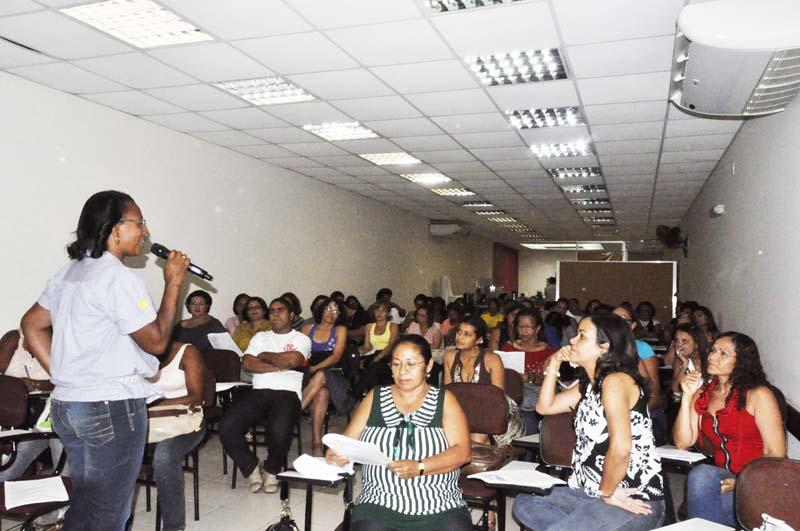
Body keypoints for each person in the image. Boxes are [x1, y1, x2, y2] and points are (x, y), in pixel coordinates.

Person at [21, 190, 190, 531]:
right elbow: (158, 342)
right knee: (109, 514)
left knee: (85, 503)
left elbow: (30, 324)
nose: (145, 231)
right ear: (115, 228)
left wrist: (64, 373)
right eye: (139, 222)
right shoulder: (118, 278)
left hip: (68, 405)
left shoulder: (68, 273)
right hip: (110, 407)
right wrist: (173, 284)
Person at [514, 314, 665, 531]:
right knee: (525, 503)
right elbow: (544, 407)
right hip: (591, 492)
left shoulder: (616, 381)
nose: (572, 340)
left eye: (582, 336)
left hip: (630, 497)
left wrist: (607, 492)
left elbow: (621, 449)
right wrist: (554, 363)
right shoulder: (589, 385)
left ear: (604, 346)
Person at [326, 335, 472, 531]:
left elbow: (462, 452)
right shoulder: (375, 397)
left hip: (440, 501)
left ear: (428, 366)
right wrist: (337, 453)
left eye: (411, 364)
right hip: (379, 500)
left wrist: (420, 467)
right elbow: (347, 442)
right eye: (396, 364)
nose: (402, 371)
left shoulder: (445, 400)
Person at [673, 332, 785, 526]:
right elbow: (683, 442)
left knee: (705, 490)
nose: (712, 356)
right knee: (701, 476)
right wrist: (687, 397)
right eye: (713, 350)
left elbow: (776, 454)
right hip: (724, 477)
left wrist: (742, 482)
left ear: (741, 361)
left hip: (760, 481)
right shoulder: (704, 393)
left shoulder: (758, 394)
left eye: (723, 353)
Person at [219, 297, 311, 494]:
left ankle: (272, 470)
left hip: (288, 394)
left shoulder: (301, 339)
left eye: (281, 310)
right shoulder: (260, 337)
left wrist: (264, 355)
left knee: (279, 430)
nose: (275, 314)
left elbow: (292, 360)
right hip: (258, 392)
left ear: (292, 315)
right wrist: (279, 365)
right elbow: (248, 364)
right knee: (227, 425)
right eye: (272, 310)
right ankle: (251, 466)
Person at [147, 341, 208, 531]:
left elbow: (197, 397)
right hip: (152, 422)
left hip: (187, 422)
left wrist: (155, 404)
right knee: (112, 447)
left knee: (164, 456)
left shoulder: (187, 352)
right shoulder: (138, 351)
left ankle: (174, 527)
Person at [0, 329, 64, 482]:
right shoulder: (14, 339)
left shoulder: (58, 346)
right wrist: (18, 385)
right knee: (8, 472)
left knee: (62, 472)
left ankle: (62, 493)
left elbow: (65, 381)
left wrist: (35, 384)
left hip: (52, 417)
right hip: (19, 421)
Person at [300, 297, 353, 456]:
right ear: (321, 310)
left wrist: (315, 368)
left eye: (336, 311)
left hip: (334, 373)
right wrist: (308, 369)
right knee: (321, 394)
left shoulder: (340, 330)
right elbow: (300, 353)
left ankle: (294, 411)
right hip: (309, 375)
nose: (332, 313)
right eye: (328, 309)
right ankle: (316, 444)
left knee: (322, 374)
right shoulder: (307, 328)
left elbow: (336, 356)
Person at [442, 317, 507, 443]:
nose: (460, 337)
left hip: (486, 414)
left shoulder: (492, 359)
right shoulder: (449, 356)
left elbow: (498, 398)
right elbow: (448, 392)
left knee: (476, 439)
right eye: (459, 332)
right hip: (457, 412)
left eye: (467, 334)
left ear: (479, 340)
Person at [613, 306, 666, 445]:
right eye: (614, 319)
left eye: (624, 320)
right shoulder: (601, 349)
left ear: (633, 325)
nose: (618, 323)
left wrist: (630, 415)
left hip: (640, 412)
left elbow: (654, 395)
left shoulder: (641, 349)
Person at [501, 309, 556, 434]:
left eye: (528, 327)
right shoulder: (508, 347)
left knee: (527, 414)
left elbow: (550, 382)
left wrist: (530, 378)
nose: (524, 331)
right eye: (520, 327)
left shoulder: (548, 351)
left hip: (533, 395)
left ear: (537, 329)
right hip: (510, 392)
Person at [354, 301, 400, 397]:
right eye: (377, 310)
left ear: (388, 313)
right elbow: (367, 347)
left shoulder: (393, 326)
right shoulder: (369, 326)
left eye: (383, 311)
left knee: (374, 366)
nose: (379, 313)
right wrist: (356, 352)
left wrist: (379, 357)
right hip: (373, 356)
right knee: (362, 363)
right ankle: (372, 396)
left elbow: (391, 345)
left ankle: (358, 393)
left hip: (388, 358)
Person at [668, 324, 708, 398]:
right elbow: (675, 389)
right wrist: (685, 364)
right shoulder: (679, 361)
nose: (679, 345)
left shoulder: (710, 359)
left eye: (684, 341)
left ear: (696, 344)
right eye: (677, 341)